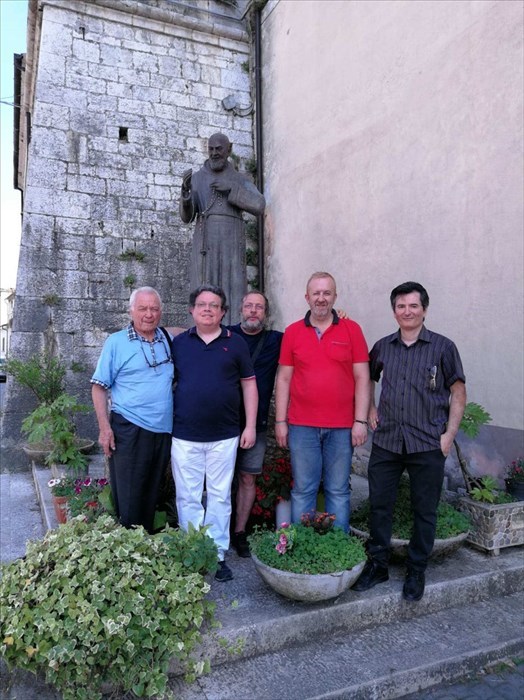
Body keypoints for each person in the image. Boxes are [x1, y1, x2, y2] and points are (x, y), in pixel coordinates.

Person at [351, 281, 466, 602]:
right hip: (387, 441)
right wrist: (370, 407)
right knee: (380, 505)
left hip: (428, 443)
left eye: (413, 306)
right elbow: (366, 379)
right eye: (401, 306)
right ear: (394, 311)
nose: (407, 311)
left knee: (424, 510)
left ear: (424, 310)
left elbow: (458, 393)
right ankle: (378, 565)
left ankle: (416, 571)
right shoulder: (383, 346)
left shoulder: (443, 348)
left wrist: (449, 435)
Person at [170, 285, 258, 582]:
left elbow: (249, 384)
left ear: (223, 312)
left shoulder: (236, 344)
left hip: (225, 435)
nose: (208, 309)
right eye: (202, 304)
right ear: (192, 310)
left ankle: (217, 554)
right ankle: (194, 550)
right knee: (188, 497)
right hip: (184, 434)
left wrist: (249, 426)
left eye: (214, 305)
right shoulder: (179, 343)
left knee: (220, 496)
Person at [274, 272, 370, 533]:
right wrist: (281, 421)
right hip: (302, 426)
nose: (321, 298)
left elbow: (363, 377)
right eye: (316, 293)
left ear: (335, 296)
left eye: (327, 293)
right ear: (307, 297)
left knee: (338, 490)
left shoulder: (352, 330)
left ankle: (337, 548)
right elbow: (283, 379)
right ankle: (303, 546)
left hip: (341, 427)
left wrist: (360, 421)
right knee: (303, 489)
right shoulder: (293, 332)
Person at [91, 287, 174, 533]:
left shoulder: (166, 339)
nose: (149, 314)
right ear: (131, 311)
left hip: (162, 430)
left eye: (154, 309)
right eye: (143, 308)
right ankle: (127, 552)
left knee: (152, 492)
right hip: (129, 428)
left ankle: (145, 546)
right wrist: (105, 429)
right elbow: (98, 387)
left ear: (160, 312)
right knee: (129, 495)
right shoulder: (116, 342)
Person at [180, 133, 266, 325]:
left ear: (229, 149)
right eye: (211, 149)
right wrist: (185, 195)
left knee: (233, 285)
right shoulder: (197, 178)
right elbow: (187, 217)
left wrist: (231, 190)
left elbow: (259, 205)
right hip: (204, 240)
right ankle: (199, 330)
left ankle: (233, 329)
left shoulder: (238, 179)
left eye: (219, 149)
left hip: (231, 239)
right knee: (203, 285)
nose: (214, 153)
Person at [228, 291, 283, 557]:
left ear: (266, 313)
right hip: (223, 423)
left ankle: (239, 532)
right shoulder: (224, 334)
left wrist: (338, 318)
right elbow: (184, 333)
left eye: (258, 307)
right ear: (240, 308)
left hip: (255, 424)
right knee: (217, 481)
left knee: (248, 477)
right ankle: (217, 531)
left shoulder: (276, 340)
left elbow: (308, 340)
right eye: (248, 305)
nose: (253, 311)